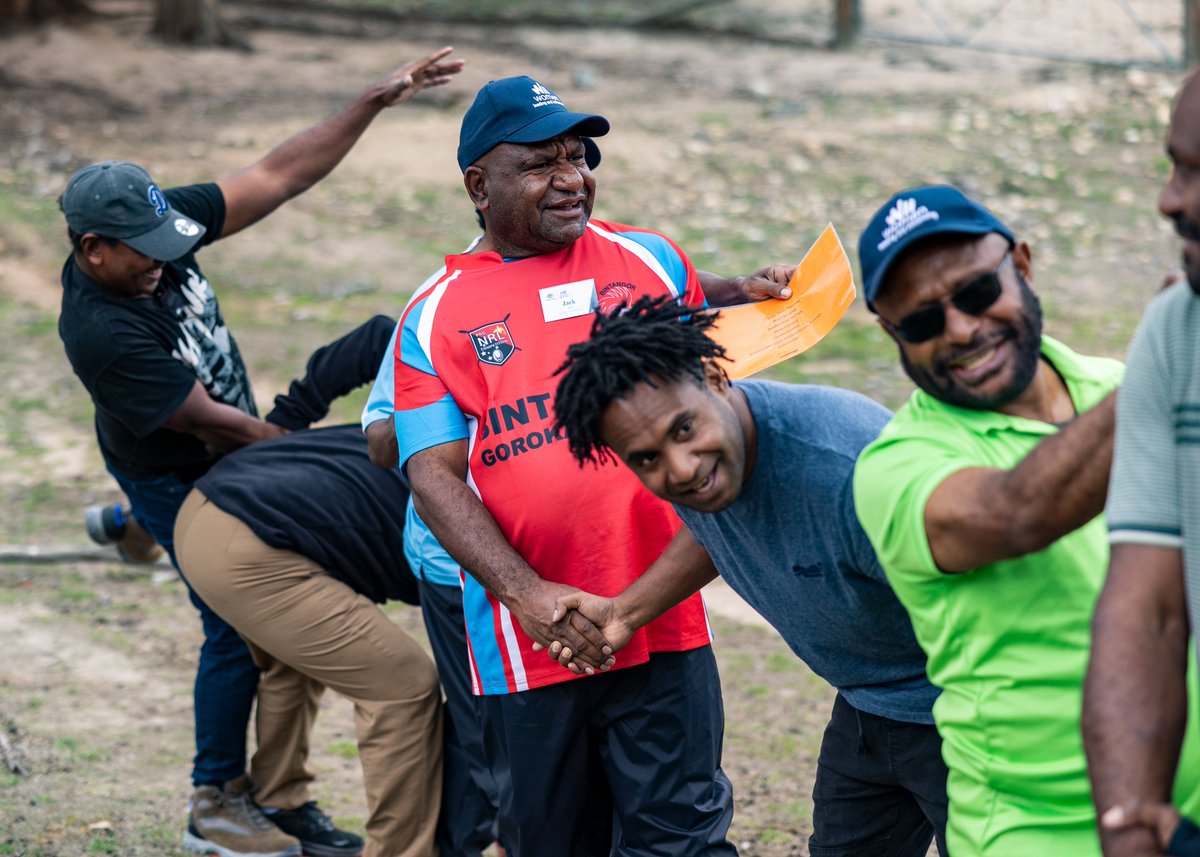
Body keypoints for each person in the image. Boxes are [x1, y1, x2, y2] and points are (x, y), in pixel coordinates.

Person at [55, 48, 464, 857]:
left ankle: (281, 795)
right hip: (180, 467)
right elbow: (228, 431)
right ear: (92, 247)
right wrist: (308, 446)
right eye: (139, 252)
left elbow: (279, 176)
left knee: (282, 633)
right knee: (236, 630)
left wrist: (373, 102)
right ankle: (215, 797)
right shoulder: (102, 334)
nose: (163, 259)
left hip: (226, 441)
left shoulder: (152, 227)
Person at [391, 75, 793, 856]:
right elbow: (432, 474)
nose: (573, 178)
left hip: (664, 616)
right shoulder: (434, 317)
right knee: (551, 841)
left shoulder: (646, 259)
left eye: (580, 157)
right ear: (479, 185)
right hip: (529, 641)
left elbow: (689, 302)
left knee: (682, 837)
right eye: (543, 163)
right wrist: (531, 597)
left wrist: (743, 289)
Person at [850, 183, 1200, 856]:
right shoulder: (895, 466)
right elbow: (1017, 511)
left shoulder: (1108, 386)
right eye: (921, 323)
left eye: (978, 291)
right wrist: (1165, 361)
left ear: (1026, 266)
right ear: (891, 335)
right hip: (1041, 834)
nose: (959, 329)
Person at [543, 295, 948, 856]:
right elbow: (717, 526)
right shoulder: (707, 464)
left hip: (963, 710)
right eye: (647, 459)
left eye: (683, 430)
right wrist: (626, 612)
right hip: (864, 704)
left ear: (715, 376)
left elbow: (994, 603)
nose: (681, 468)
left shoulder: (853, 474)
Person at [175, 315, 443, 857]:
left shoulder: (433, 435)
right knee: (405, 685)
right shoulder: (477, 510)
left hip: (218, 506)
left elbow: (379, 334)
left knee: (296, 658)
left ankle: (280, 801)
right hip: (251, 542)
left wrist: (292, 413)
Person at [1083, 69, 1200, 857]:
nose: (1169, 199)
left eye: (1198, 173)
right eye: (1175, 164)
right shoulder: (1175, 331)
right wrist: (1128, 826)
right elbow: (1147, 609)